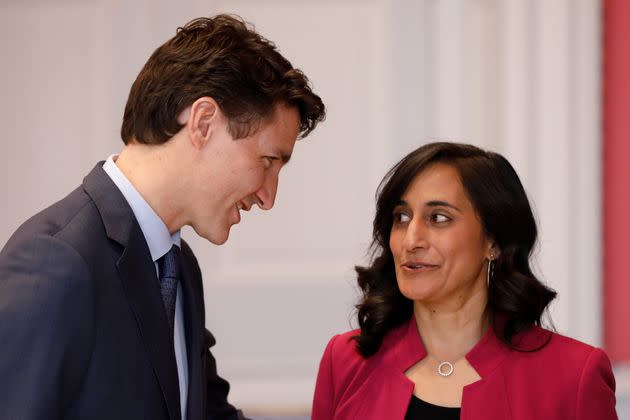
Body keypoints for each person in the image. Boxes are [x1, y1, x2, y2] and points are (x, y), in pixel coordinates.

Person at [0, 14, 325, 420]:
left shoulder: (179, 266)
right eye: (268, 160)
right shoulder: (55, 262)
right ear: (203, 123)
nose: (268, 196)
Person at [312, 142, 616, 420]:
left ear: (493, 242)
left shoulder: (575, 376)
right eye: (402, 218)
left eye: (439, 218)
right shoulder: (346, 361)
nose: (411, 239)